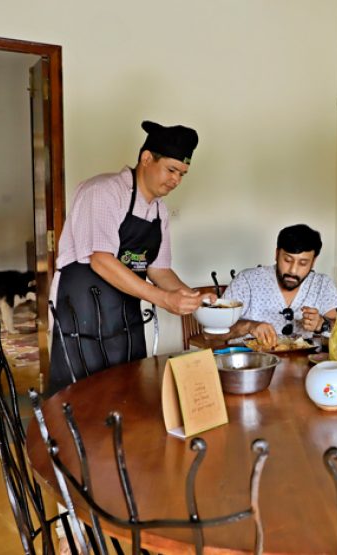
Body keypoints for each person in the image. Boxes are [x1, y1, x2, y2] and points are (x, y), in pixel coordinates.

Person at [48, 121, 214, 392]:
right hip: (82, 312)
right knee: (83, 399)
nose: (176, 180)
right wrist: (162, 299)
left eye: (183, 174)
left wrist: (194, 298)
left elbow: (159, 270)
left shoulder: (159, 210)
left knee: (128, 393)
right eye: (171, 170)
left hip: (125, 315)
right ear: (146, 159)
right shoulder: (103, 191)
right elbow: (101, 260)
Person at [222, 224, 337, 346]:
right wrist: (249, 326)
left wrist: (322, 324)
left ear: (313, 262)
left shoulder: (321, 284)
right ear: (276, 254)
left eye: (303, 263)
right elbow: (211, 333)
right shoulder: (246, 281)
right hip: (251, 362)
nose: (293, 271)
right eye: (287, 260)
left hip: (302, 363)